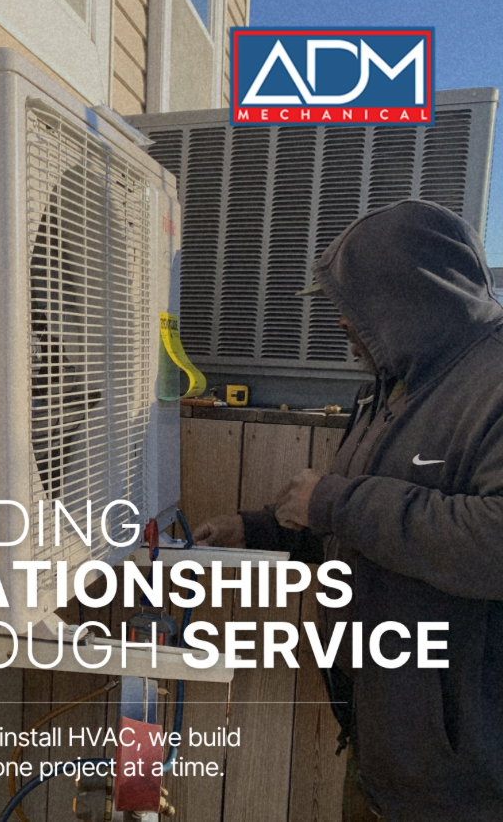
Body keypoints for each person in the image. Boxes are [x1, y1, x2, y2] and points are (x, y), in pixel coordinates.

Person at [194, 199, 503, 822]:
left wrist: (337, 500)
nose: (342, 322)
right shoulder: (391, 385)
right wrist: (254, 530)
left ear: (409, 296)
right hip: (384, 743)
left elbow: (493, 544)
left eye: (355, 305)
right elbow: (352, 529)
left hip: (463, 782)